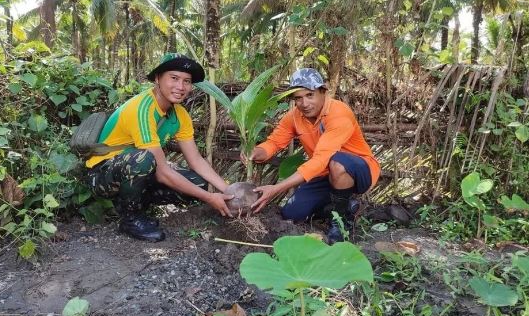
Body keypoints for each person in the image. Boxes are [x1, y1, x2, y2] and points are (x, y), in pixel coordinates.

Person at [86, 53, 233, 242]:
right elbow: (162, 172)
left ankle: (138, 202)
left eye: (186, 81)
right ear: (157, 79)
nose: (180, 87)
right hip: (102, 175)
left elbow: (195, 160)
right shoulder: (142, 109)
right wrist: (209, 198)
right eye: (174, 78)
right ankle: (130, 218)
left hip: (140, 171)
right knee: (144, 159)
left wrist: (227, 190)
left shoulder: (180, 115)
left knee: (200, 183)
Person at [248, 68, 380, 243]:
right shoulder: (294, 117)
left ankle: (341, 224)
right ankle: (345, 207)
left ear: (323, 92)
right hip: (324, 173)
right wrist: (256, 152)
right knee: (291, 213)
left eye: (310, 95)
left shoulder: (339, 113)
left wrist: (276, 188)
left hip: (359, 170)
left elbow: (321, 159)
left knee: (337, 163)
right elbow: (273, 143)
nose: (304, 103)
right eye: (298, 98)